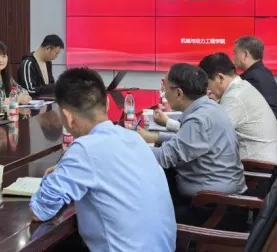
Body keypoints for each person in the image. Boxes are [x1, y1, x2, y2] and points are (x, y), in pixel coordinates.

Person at [29, 67, 176, 252]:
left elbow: (39, 211)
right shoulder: (133, 138)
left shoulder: (84, 149)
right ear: (107, 104)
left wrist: (54, 177)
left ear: (67, 117)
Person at [136, 63, 246, 225]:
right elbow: (185, 141)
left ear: (179, 93)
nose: (164, 92)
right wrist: (155, 138)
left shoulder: (199, 119)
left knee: (145, 215)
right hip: (219, 199)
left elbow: (165, 157)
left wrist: (128, 144)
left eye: (165, 87)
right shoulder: (209, 108)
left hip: (214, 209)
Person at [198, 53, 277, 163]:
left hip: (256, 166)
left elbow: (208, 133)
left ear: (220, 78)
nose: (209, 90)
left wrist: (173, 123)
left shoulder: (234, 97)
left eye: (208, 85)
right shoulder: (242, 87)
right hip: (261, 159)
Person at [233, 36, 277, 130]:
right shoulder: (264, 72)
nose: (234, 58)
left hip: (264, 130)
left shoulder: (250, 78)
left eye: (235, 53)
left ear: (245, 54)